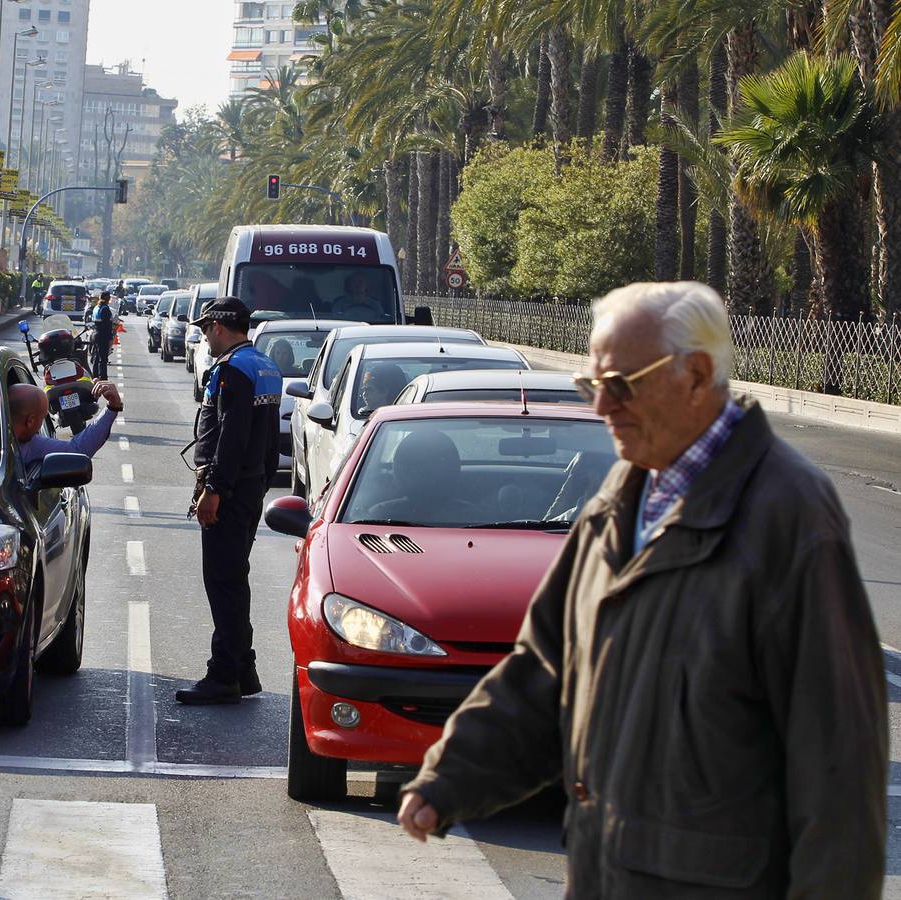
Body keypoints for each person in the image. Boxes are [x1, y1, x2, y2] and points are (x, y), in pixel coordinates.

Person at [397, 281, 887, 897]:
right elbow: (547, 669)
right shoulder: (622, 495)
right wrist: (452, 780)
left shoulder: (787, 514)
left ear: (697, 375)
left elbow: (838, 763)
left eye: (622, 384)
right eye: (592, 385)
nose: (602, 408)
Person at [177, 297, 281, 705]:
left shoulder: (233, 369)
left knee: (223, 582)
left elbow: (232, 435)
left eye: (206, 329)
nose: (204, 336)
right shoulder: (264, 365)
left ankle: (224, 674)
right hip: (251, 487)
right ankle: (243, 668)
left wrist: (214, 490)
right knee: (234, 578)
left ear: (220, 326)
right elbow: (267, 441)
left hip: (230, 490)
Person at [11, 379, 123, 465]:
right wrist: (112, 408)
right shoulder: (30, 446)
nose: (41, 426)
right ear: (30, 421)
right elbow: (77, 452)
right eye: (42, 419)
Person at [89, 291, 115, 380]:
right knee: (103, 358)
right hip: (103, 335)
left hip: (95, 334)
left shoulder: (97, 307)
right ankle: (103, 377)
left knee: (96, 356)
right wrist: (110, 337)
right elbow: (107, 325)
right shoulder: (105, 309)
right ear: (108, 298)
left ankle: (95, 376)